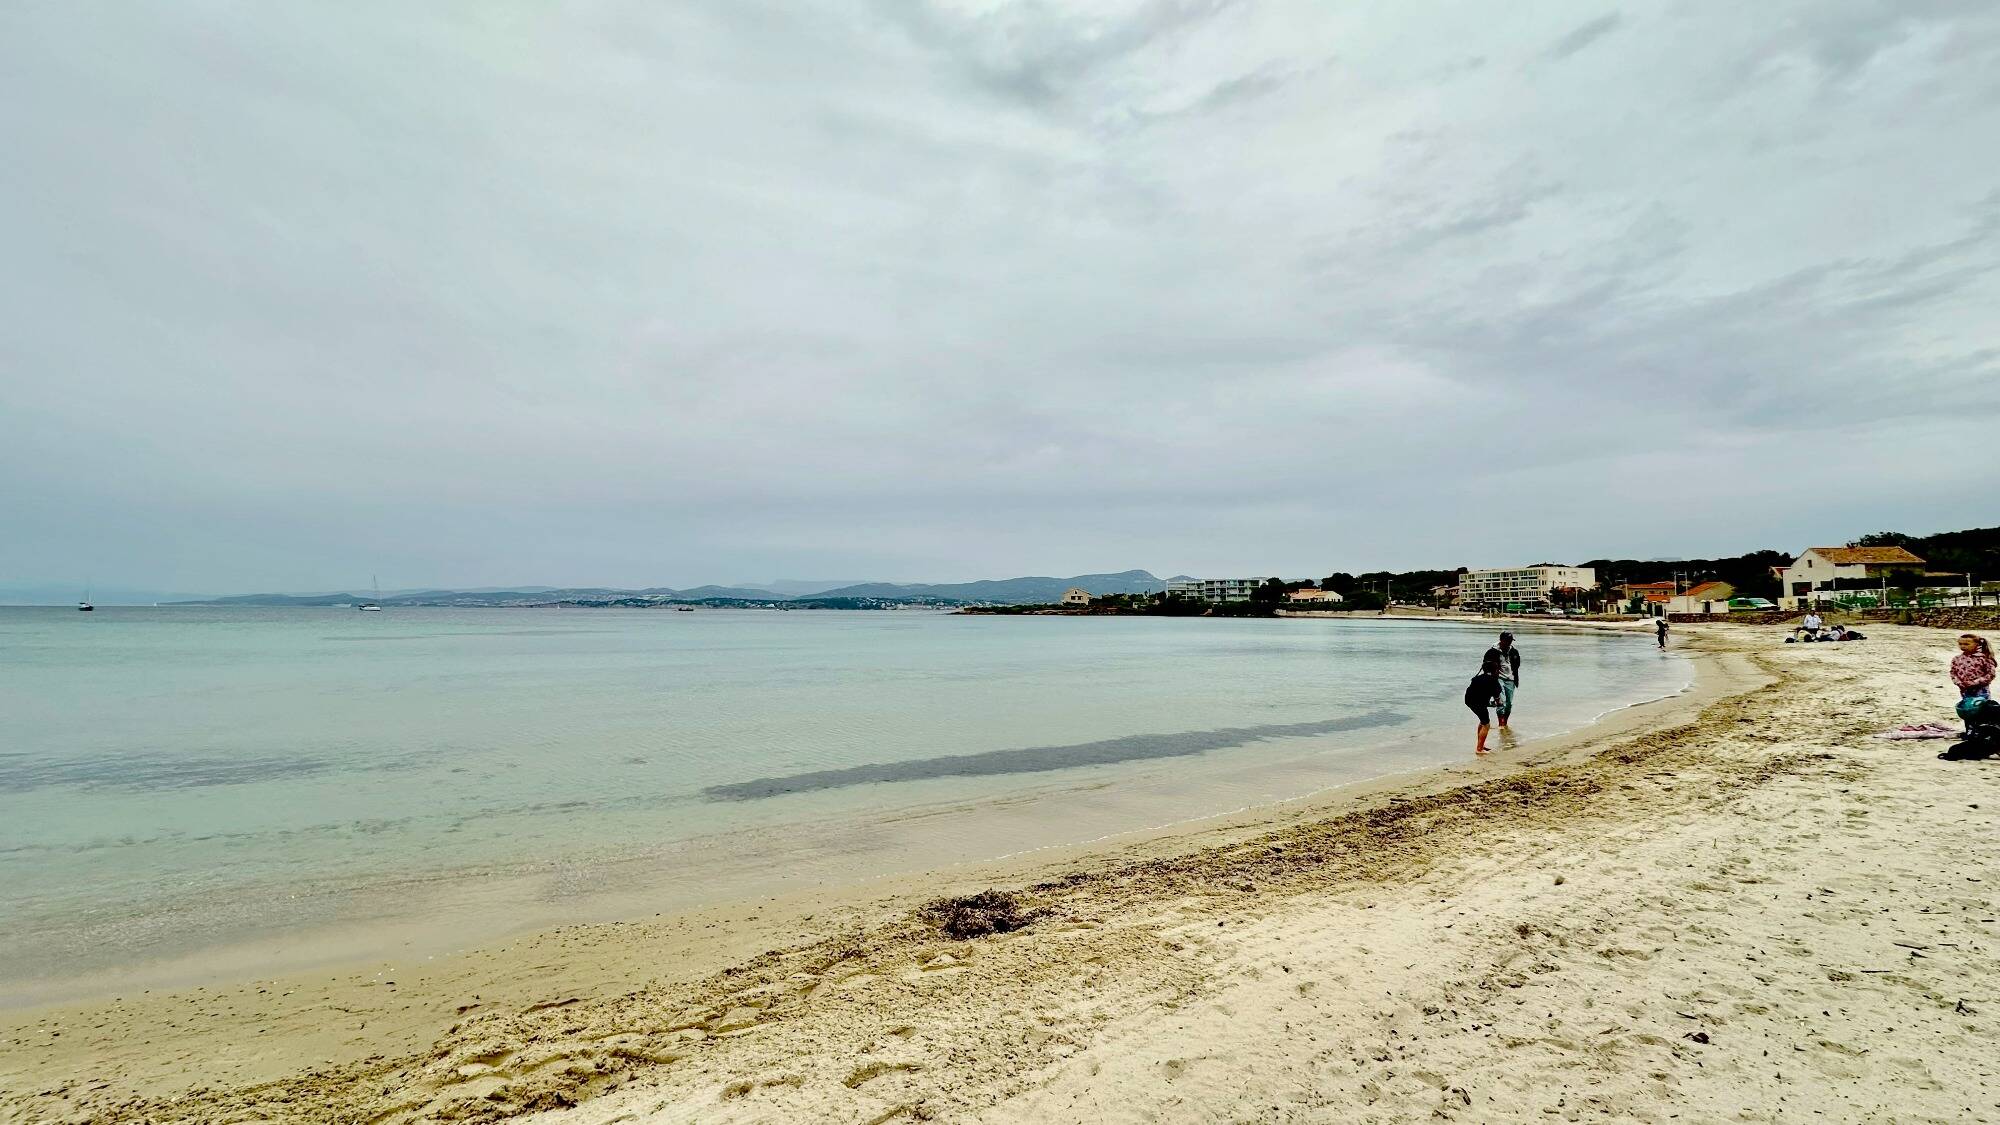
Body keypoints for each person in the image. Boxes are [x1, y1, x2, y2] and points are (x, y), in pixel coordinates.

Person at [1952, 633, 1996, 728]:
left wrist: (1974, 683)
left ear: (1977, 644)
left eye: (1967, 644)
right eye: (1960, 644)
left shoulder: (1984, 658)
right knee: (1967, 710)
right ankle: (1970, 731)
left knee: (1982, 710)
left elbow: (1990, 674)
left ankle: (1983, 732)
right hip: (1965, 690)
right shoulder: (1957, 659)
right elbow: (1953, 673)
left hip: (1981, 691)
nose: (1963, 646)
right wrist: (1958, 682)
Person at [1465, 653, 1503, 755]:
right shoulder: (1493, 681)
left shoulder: (1477, 678)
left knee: (1482, 721)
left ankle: (1480, 745)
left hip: (1469, 700)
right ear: (1494, 671)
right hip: (1478, 703)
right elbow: (1497, 698)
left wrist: (1489, 703)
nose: (1498, 671)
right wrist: (1499, 704)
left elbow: (1475, 692)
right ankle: (1479, 749)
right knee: (1486, 724)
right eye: (1497, 670)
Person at [1483, 631, 1522, 729]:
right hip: (1498, 679)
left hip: (1511, 679)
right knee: (1502, 702)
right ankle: (1501, 724)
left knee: (1509, 704)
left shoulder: (1514, 651)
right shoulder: (1492, 651)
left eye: (1511, 640)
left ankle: (1505, 723)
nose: (1509, 643)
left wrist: (1514, 676)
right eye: (1507, 640)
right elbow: (1485, 666)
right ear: (1501, 640)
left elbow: (1517, 664)